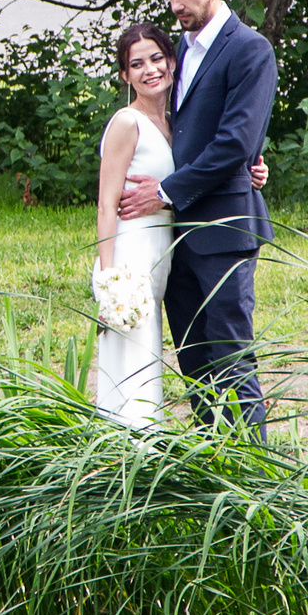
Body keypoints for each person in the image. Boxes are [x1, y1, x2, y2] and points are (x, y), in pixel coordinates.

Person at [119, 0, 274, 433]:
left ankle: (257, 474)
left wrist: (164, 192)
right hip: (173, 237)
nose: (175, 5)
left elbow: (234, 142)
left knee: (232, 356)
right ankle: (210, 466)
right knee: (195, 366)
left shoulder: (250, 50)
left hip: (224, 231)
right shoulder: (176, 51)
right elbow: (181, 131)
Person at [90, 22, 179, 429]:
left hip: (161, 249)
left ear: (172, 61)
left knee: (149, 349)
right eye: (136, 64)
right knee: (133, 352)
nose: (150, 70)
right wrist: (108, 279)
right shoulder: (128, 123)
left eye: (157, 58)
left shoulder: (174, 122)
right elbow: (107, 203)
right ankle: (131, 443)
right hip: (130, 254)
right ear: (125, 76)